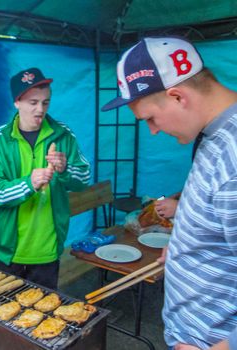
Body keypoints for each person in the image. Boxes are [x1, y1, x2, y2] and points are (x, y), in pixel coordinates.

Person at [101, 37, 237, 350]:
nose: (152, 130)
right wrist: (181, 251)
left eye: (149, 118)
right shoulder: (214, 135)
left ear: (177, 96)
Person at [0, 67, 90, 289]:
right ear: (17, 102)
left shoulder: (63, 135)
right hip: (8, 251)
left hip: (46, 250)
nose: (40, 109)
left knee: (44, 318)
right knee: (2, 318)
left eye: (45, 102)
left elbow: (84, 178)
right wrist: (27, 183)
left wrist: (65, 169)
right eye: (33, 102)